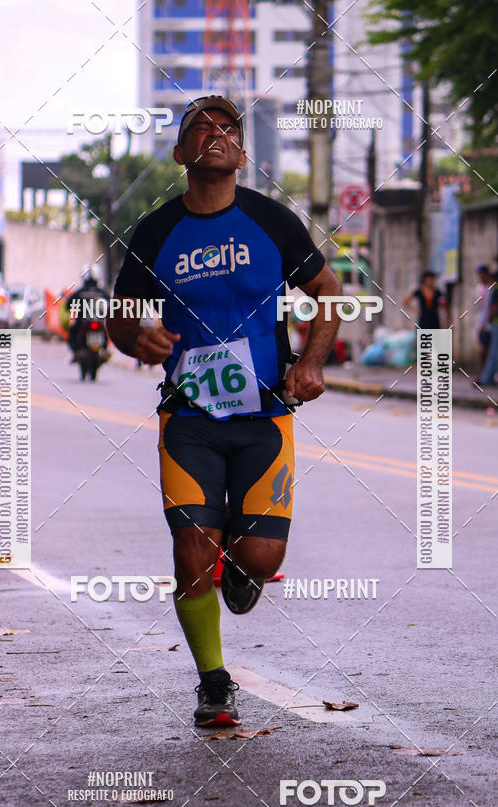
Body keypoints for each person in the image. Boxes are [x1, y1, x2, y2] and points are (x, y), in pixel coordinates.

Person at [107, 96, 342, 727]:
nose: (218, 134)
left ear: (242, 153)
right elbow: (119, 317)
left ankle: (241, 569)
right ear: (182, 153)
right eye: (202, 128)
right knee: (190, 551)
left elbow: (327, 290)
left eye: (229, 128)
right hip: (189, 422)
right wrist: (138, 338)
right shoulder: (156, 232)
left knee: (260, 560)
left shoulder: (272, 221)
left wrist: (311, 363)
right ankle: (213, 683)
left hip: (265, 418)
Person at [66, 266, 109, 357]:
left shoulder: (78, 293)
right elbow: (113, 306)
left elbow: (68, 305)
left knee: (72, 332)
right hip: (98, 322)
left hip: (82, 321)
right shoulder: (103, 293)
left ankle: (76, 352)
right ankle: (104, 350)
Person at [474, 264, 496, 372]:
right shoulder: (479, 288)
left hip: (491, 324)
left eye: (483, 274)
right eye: (479, 274)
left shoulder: (491, 289)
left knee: (490, 350)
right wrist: (481, 323)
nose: (481, 276)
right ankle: (483, 372)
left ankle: (489, 374)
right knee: (482, 349)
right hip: (482, 323)